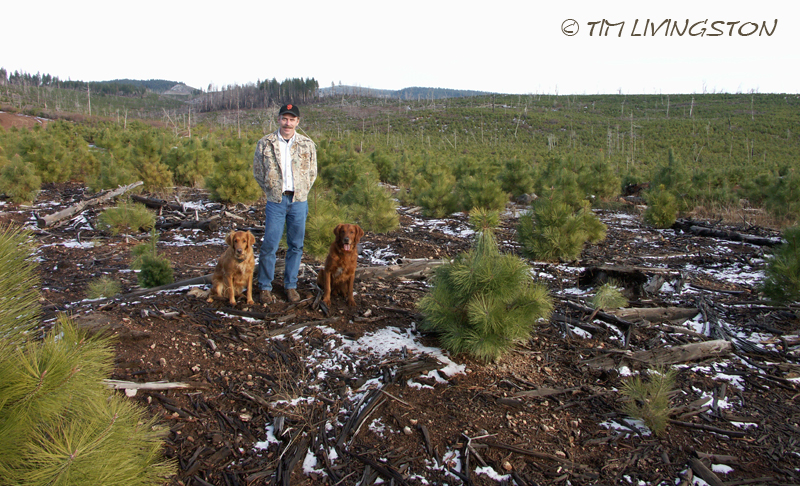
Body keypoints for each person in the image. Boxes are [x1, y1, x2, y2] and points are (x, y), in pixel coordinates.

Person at [252, 104, 317, 304]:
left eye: (292, 119)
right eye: (284, 119)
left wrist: (303, 190)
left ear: (297, 122)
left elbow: (312, 172)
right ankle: (264, 287)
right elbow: (258, 172)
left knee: (296, 245)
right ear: (278, 120)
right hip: (276, 201)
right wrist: (271, 189)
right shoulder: (265, 143)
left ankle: (290, 286)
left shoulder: (307, 144)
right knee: (269, 245)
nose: (287, 123)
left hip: (298, 201)